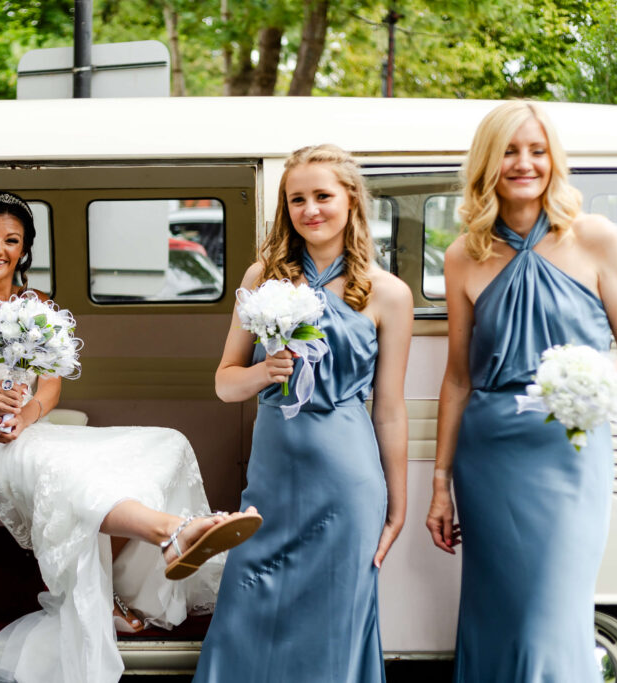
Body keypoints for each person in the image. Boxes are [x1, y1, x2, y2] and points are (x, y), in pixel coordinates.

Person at [0, 191, 262, 683]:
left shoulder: (38, 304)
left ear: (25, 249)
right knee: (69, 470)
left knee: (166, 441)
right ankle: (173, 531)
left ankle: (134, 581)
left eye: (11, 240)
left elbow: (50, 386)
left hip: (26, 428)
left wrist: (27, 415)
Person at [425, 101, 617, 681]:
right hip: (489, 457)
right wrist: (441, 484)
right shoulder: (462, 256)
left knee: (549, 613)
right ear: (487, 163)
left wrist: (594, 387)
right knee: (497, 612)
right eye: (509, 150)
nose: (524, 163)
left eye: (537, 150)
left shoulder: (595, 237)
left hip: (570, 449)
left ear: (554, 159)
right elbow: (457, 377)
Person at [193, 144, 412, 683]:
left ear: (351, 200)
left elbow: (389, 408)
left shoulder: (388, 294)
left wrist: (398, 507)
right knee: (249, 607)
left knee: (335, 619)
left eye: (323, 196)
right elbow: (225, 383)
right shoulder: (262, 277)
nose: (310, 209)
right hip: (274, 477)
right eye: (297, 199)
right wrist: (265, 372)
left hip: (348, 482)